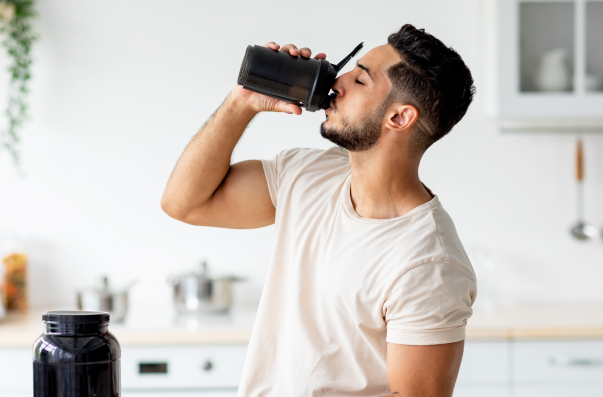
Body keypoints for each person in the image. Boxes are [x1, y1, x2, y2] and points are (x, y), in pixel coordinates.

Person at [161, 24, 477, 397]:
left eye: (360, 80)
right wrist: (242, 101)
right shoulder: (307, 175)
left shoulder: (430, 264)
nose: (338, 82)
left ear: (398, 118)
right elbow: (185, 203)